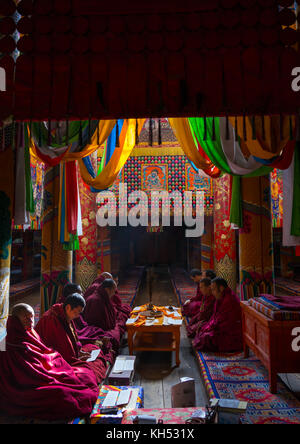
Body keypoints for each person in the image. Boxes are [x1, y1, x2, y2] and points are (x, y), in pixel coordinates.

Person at [0, 304, 98, 420]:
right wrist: (48, 371)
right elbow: (25, 370)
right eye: (26, 317)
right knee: (62, 394)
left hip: (44, 370)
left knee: (83, 375)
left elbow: (43, 351)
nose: (30, 321)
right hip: (27, 385)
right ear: (15, 319)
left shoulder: (29, 331)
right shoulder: (9, 342)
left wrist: (53, 359)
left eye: (32, 317)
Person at [36, 294, 112, 384]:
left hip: (71, 356)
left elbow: (73, 339)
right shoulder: (51, 320)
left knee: (95, 349)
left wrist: (79, 352)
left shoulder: (64, 314)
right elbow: (58, 350)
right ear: (68, 307)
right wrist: (77, 358)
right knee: (85, 375)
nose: (77, 316)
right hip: (53, 361)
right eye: (76, 313)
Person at [59, 283, 118, 352]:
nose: (83, 294)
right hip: (79, 335)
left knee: (102, 334)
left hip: (82, 332)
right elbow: (72, 335)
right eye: (80, 293)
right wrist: (93, 340)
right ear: (73, 295)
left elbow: (83, 326)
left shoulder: (74, 305)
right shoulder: (65, 310)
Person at [192, 277, 243, 353]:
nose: (212, 292)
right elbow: (215, 315)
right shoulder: (221, 297)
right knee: (201, 327)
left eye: (213, 289)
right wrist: (208, 326)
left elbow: (226, 323)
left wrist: (210, 328)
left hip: (230, 333)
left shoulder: (229, 300)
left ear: (221, 288)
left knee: (206, 338)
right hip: (219, 326)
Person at [83, 279, 125, 346]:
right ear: (107, 290)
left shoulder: (102, 297)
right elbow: (95, 322)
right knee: (113, 335)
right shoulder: (95, 300)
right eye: (113, 291)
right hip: (95, 329)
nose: (114, 294)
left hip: (103, 327)